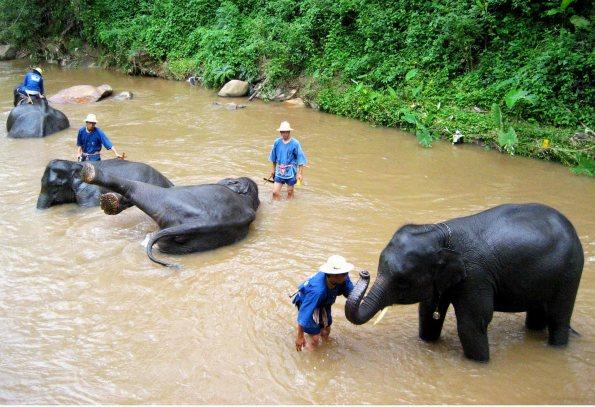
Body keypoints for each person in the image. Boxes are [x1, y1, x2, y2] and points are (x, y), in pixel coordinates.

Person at [293, 255, 355, 351]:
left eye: (346, 273)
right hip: (308, 303)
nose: (346, 275)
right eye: (343, 273)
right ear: (333, 275)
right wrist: (300, 336)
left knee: (326, 331)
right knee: (315, 339)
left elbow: (352, 294)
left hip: (324, 301)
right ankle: (311, 355)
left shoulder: (343, 278)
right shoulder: (317, 290)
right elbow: (304, 313)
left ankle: (324, 344)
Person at [268, 121, 307, 200]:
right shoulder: (277, 142)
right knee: (275, 192)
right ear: (280, 132)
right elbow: (273, 157)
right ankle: (277, 208)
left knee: (289, 192)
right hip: (279, 170)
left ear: (289, 132)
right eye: (282, 132)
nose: (284, 134)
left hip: (290, 171)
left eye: (286, 132)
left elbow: (300, 159)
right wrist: (273, 169)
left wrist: (300, 173)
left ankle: (290, 207)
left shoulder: (295, 143)